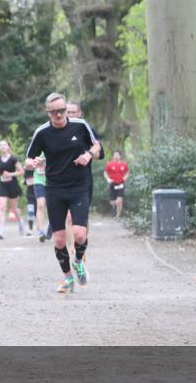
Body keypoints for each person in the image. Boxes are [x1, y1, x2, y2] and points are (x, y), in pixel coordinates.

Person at [26, 93, 100, 294]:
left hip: (79, 186)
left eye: (62, 111)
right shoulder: (42, 133)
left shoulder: (80, 125)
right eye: (54, 112)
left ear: (66, 110)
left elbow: (97, 145)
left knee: (79, 234)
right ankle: (68, 278)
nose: (58, 115)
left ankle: (78, 262)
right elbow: (28, 158)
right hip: (55, 189)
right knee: (58, 239)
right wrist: (31, 163)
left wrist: (88, 154)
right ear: (48, 112)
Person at [62, 101, 103, 258]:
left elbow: (100, 152)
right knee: (68, 218)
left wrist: (88, 154)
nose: (70, 115)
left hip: (83, 181)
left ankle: (81, 247)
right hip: (63, 181)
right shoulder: (57, 129)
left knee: (81, 219)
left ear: (80, 114)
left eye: (74, 112)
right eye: (68, 112)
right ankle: (72, 248)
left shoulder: (86, 129)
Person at [0, 140, 25, 239]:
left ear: (8, 147)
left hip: (12, 185)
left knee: (14, 208)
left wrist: (10, 174)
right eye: (0, 145)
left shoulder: (13, 159)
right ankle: (1, 231)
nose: (2, 147)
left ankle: (20, 221)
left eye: (4, 145)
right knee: (2, 207)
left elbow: (21, 172)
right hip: (2, 185)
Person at [24, 153, 49, 242]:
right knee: (40, 205)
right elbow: (27, 161)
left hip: (53, 179)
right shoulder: (37, 144)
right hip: (39, 180)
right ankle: (41, 231)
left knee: (54, 206)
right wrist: (32, 162)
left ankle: (52, 226)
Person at [104, 150, 129, 218]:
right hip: (112, 184)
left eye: (118, 155)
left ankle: (118, 216)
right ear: (113, 156)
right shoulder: (109, 164)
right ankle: (117, 208)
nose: (116, 156)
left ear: (120, 156)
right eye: (115, 155)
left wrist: (125, 178)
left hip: (120, 184)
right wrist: (108, 179)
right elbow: (105, 173)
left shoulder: (124, 164)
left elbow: (127, 173)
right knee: (112, 202)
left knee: (119, 200)